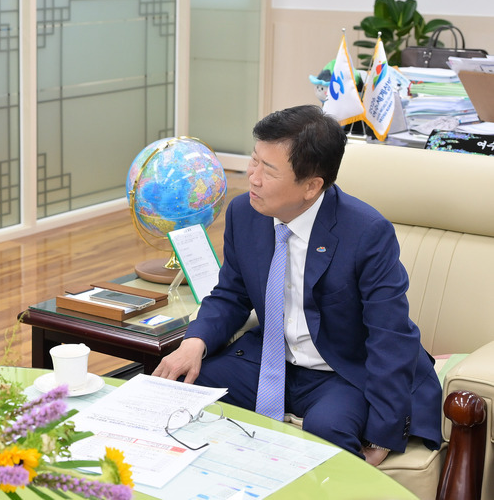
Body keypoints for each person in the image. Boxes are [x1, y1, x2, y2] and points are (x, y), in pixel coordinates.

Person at [153, 105, 441, 465]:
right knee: (184, 391)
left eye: (268, 170)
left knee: (328, 433)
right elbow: (231, 294)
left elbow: (390, 335)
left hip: (341, 371)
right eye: (254, 160)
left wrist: (383, 434)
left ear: (311, 186)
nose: (252, 177)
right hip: (270, 359)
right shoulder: (245, 213)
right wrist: (194, 343)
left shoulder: (367, 233)